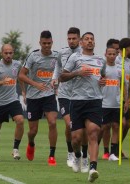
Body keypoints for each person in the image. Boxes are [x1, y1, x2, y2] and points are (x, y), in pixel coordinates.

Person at [59, 32, 106, 182]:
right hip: (77, 101)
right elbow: (62, 77)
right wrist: (78, 72)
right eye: (87, 39)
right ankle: (78, 156)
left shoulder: (100, 59)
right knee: (76, 138)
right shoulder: (75, 58)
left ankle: (92, 167)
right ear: (81, 42)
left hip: (95, 101)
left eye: (92, 39)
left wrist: (102, 81)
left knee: (93, 132)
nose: (90, 41)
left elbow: (102, 76)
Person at [18, 30, 61, 166]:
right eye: (44, 43)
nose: (47, 46)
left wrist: (57, 81)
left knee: (53, 123)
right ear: (40, 43)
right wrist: (36, 84)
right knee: (33, 131)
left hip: (49, 95)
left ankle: (52, 155)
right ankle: (31, 143)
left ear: (52, 42)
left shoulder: (57, 57)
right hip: (33, 97)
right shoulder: (33, 56)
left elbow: (62, 72)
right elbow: (21, 75)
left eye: (49, 43)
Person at [51, 27, 88, 169]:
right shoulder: (62, 53)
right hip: (64, 94)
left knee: (82, 129)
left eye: (74, 38)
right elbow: (57, 68)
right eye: (69, 38)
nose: (71, 41)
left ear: (79, 39)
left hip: (80, 94)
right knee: (69, 124)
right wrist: (54, 79)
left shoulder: (84, 54)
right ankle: (70, 152)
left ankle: (84, 154)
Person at [0, 44, 25, 161]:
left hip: (12, 100)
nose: (8, 55)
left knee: (20, 120)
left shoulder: (17, 64)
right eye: (6, 53)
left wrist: (24, 92)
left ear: (13, 53)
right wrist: (2, 82)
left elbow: (21, 78)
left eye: (10, 53)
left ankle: (15, 149)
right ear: (2, 53)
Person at [115, 38, 130, 158]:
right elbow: (120, 82)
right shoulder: (117, 61)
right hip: (118, 97)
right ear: (126, 48)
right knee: (121, 123)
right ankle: (113, 148)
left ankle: (118, 146)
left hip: (127, 97)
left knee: (128, 124)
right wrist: (125, 98)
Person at [100, 47, 123, 161]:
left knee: (116, 126)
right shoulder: (102, 68)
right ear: (105, 54)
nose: (112, 56)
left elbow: (124, 85)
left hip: (116, 103)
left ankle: (113, 153)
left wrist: (126, 99)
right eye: (109, 54)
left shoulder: (119, 69)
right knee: (104, 127)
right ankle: (105, 150)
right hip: (104, 103)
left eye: (114, 54)